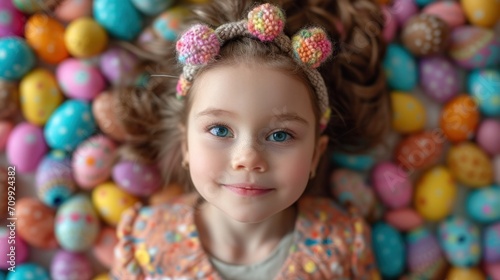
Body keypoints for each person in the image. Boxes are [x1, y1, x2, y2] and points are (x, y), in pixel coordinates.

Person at [111, 1, 389, 279]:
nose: (248, 158)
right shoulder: (144, 245)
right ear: (186, 144)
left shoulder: (343, 245)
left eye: (280, 135)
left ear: (315, 154)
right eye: (220, 130)